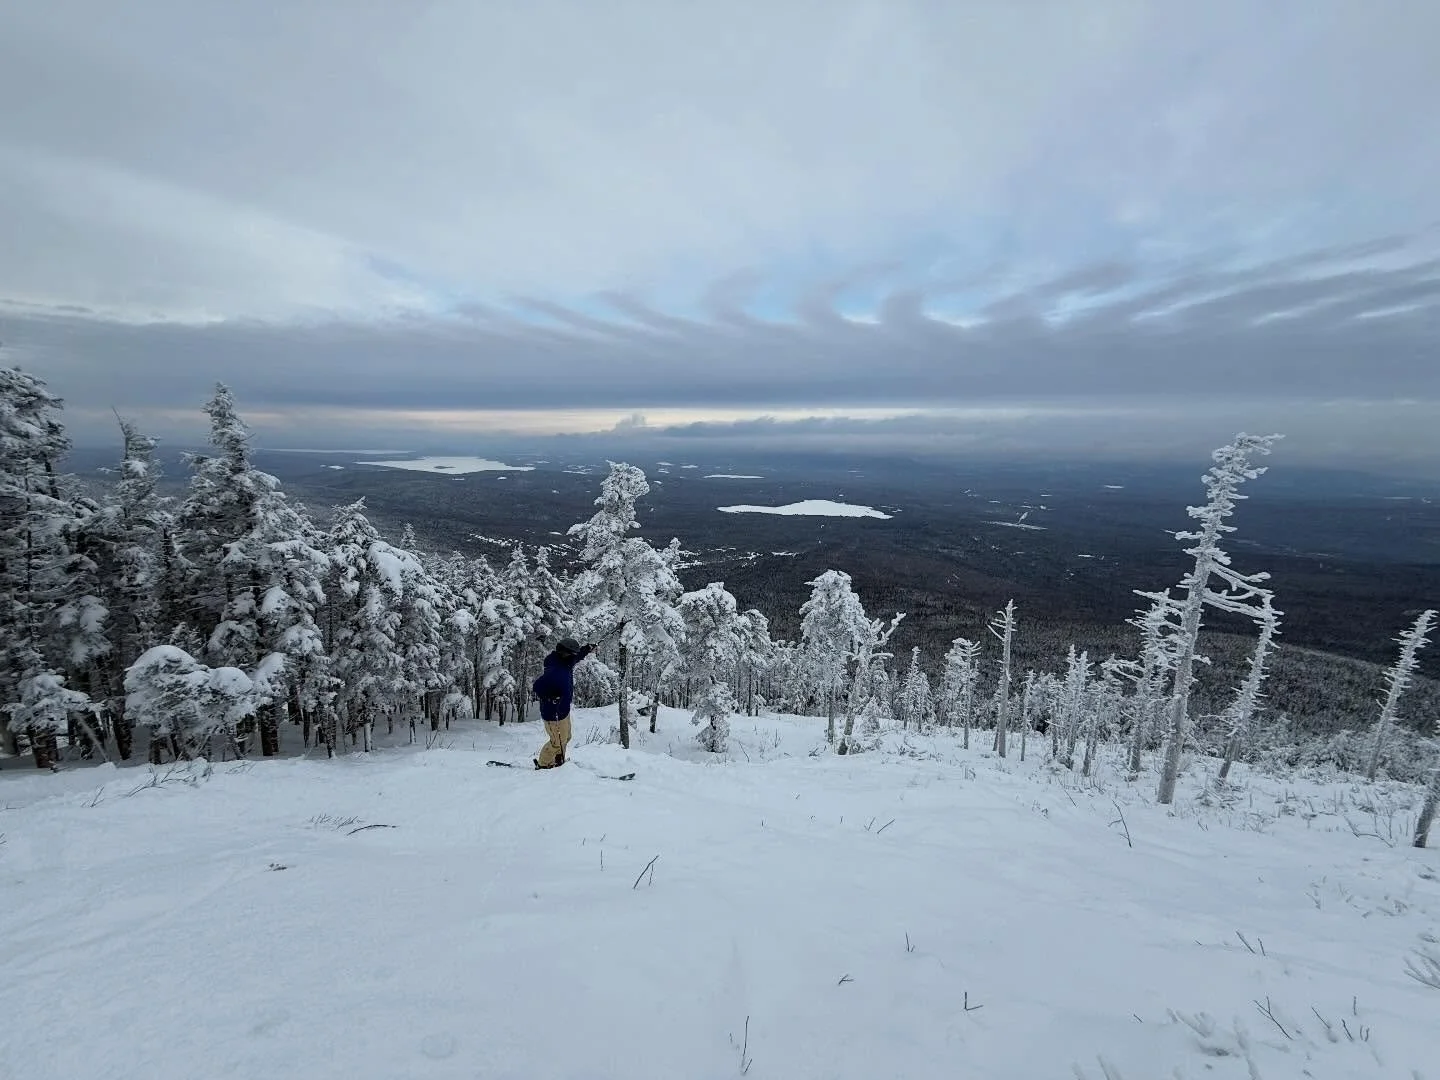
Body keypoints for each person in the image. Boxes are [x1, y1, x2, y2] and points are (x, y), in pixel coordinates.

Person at [531, 637, 596, 768]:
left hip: (563, 712)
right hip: (553, 712)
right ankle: (543, 765)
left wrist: (586, 649)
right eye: (572, 653)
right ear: (564, 652)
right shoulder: (555, 670)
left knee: (566, 737)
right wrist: (550, 697)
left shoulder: (565, 662)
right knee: (557, 741)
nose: (574, 656)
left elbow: (576, 658)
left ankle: (558, 760)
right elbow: (537, 686)